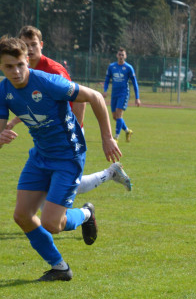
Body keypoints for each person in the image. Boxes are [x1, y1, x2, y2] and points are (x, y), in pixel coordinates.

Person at [0, 36, 121, 281]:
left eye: (20, 65)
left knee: (51, 224)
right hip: (40, 157)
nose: (16, 71)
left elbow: (95, 97)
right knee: (22, 215)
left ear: (27, 62)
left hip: (68, 156)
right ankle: (60, 268)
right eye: (8, 66)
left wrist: (107, 138)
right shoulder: (3, 90)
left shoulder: (48, 82)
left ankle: (86, 213)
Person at [15, 26, 131, 193]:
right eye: (26, 45)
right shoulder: (22, 72)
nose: (30, 49)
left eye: (33, 44)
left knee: (62, 187)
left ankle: (88, 209)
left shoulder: (54, 71)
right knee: (62, 186)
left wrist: (74, 131)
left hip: (67, 133)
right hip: (47, 136)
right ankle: (110, 174)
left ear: (41, 45)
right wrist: (12, 122)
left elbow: (80, 100)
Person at [103, 47, 141, 142]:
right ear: (117, 55)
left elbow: (135, 83)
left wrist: (137, 97)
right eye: (119, 54)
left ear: (125, 56)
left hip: (123, 94)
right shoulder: (112, 67)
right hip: (114, 94)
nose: (121, 56)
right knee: (115, 117)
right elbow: (107, 79)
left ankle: (116, 137)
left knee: (119, 115)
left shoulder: (128, 68)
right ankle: (128, 131)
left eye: (122, 55)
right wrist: (105, 90)